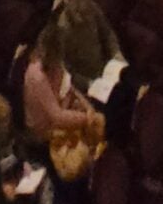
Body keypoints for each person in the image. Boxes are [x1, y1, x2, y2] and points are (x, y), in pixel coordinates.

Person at [22, 23, 105, 183]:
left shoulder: (56, 61)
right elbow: (57, 117)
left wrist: (88, 108)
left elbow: (69, 87)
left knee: (99, 120)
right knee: (77, 160)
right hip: (45, 129)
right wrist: (85, 118)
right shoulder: (36, 76)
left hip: (65, 109)